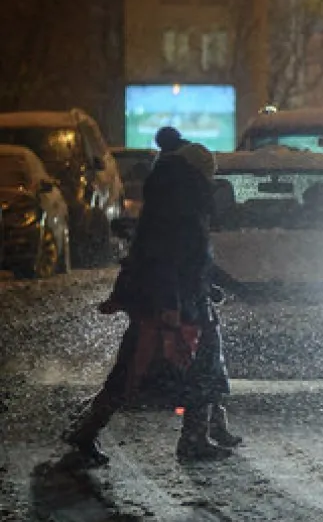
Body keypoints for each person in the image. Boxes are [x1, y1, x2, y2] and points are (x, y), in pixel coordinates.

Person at [64, 142, 240, 465]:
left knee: (135, 370)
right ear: (202, 174)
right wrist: (172, 305)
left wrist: (207, 285)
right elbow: (167, 261)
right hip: (173, 307)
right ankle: (192, 440)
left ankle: (87, 431)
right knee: (191, 369)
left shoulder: (168, 199)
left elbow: (181, 259)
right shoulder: (184, 206)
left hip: (171, 302)